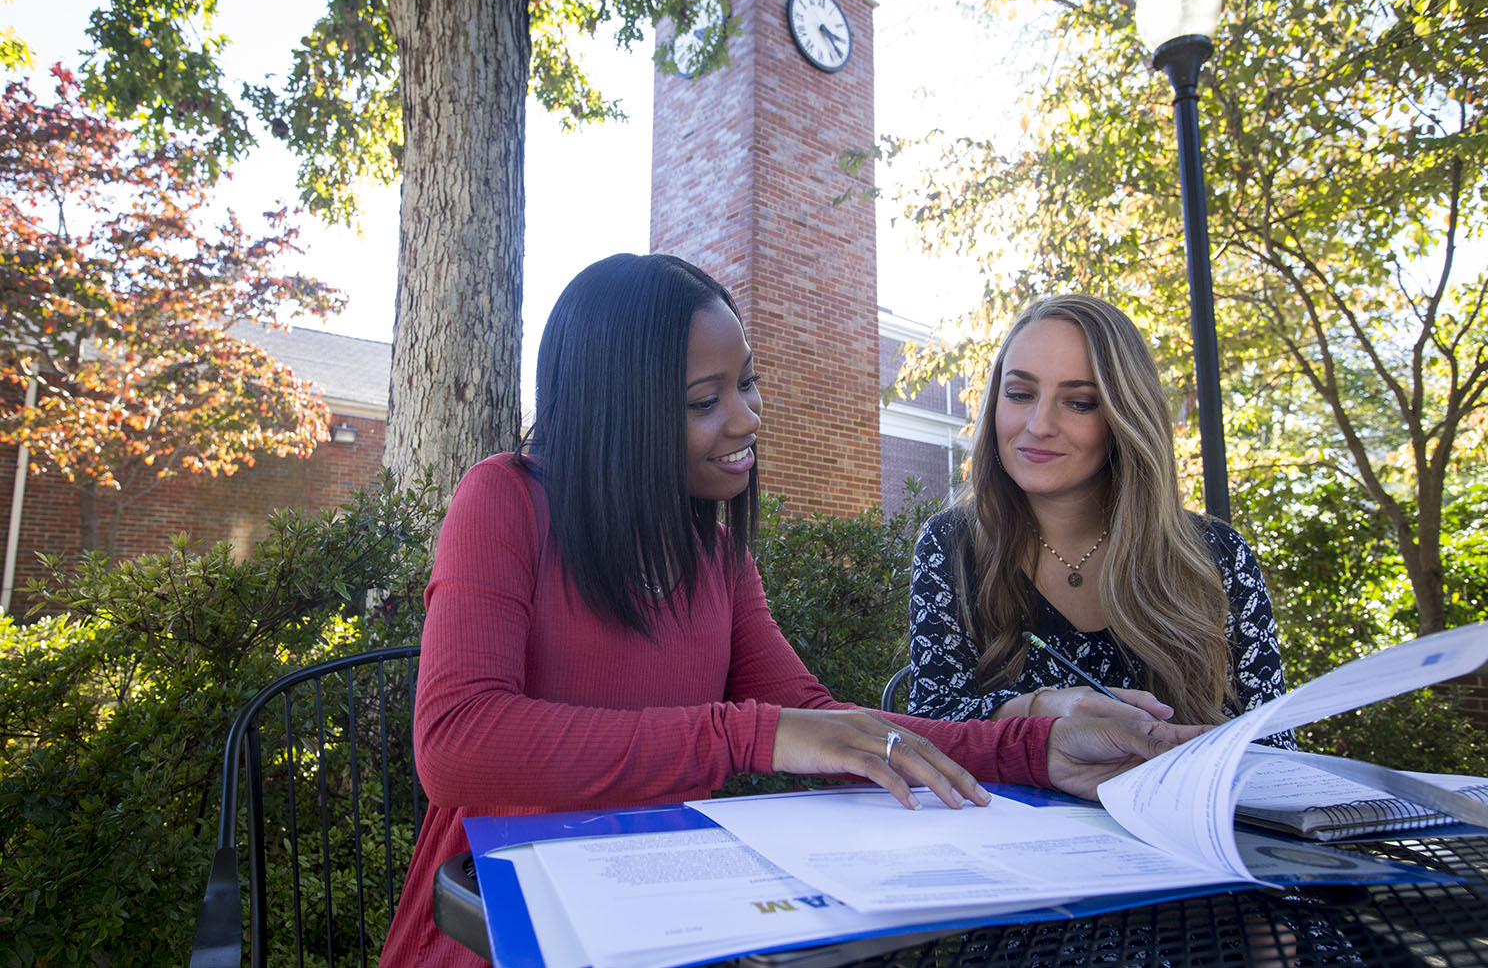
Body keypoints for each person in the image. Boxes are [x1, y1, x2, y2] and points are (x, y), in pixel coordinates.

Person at [377, 255, 1206, 968]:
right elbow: (457, 742)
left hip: (680, 916)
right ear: (615, 411)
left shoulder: (716, 557)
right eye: (706, 400)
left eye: (747, 383)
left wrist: (1039, 746)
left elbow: (820, 722)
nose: (748, 418)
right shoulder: (505, 501)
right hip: (508, 924)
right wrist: (748, 732)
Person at [908, 293, 1293, 743]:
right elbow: (928, 731)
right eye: (1019, 394)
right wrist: (1040, 709)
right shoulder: (951, 544)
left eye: (1080, 402)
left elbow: (1273, 744)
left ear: (1125, 416)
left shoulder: (1218, 556)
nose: (1038, 424)